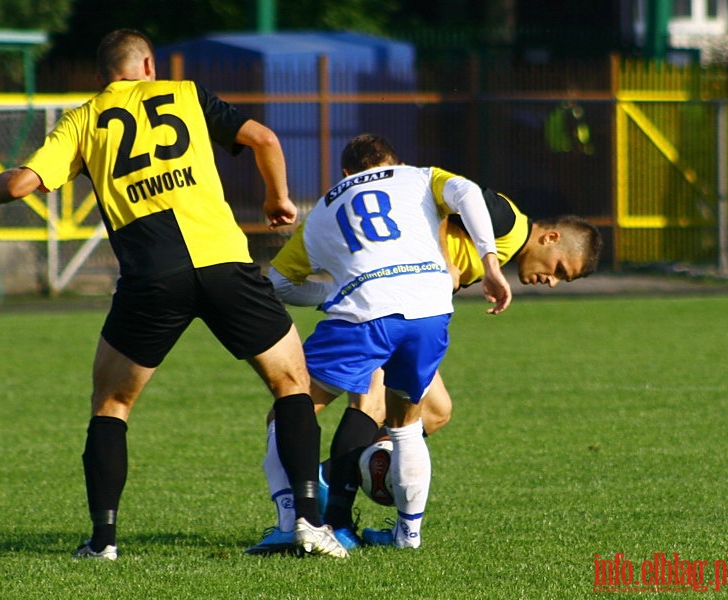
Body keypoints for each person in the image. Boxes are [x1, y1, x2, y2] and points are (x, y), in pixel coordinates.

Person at [0, 28, 347, 560]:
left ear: (102, 76)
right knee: (291, 386)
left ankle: (103, 542)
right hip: (225, 262)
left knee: (112, 404)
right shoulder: (185, 94)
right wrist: (278, 198)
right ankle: (309, 523)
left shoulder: (84, 117)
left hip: (152, 275)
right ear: (149, 66)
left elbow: (21, 185)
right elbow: (266, 140)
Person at [247, 144, 603, 553]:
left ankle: (337, 475)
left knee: (435, 412)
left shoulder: (334, 208)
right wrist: (455, 263)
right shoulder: (507, 221)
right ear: (551, 237)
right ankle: (340, 515)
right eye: (559, 269)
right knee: (371, 408)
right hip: (399, 309)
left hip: (404, 311)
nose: (553, 281)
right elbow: (449, 199)